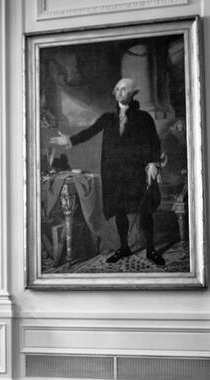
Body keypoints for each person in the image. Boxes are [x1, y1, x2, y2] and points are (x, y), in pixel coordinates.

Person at [50, 77, 165, 266]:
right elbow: (90, 131)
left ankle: (151, 249)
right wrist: (70, 140)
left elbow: (154, 141)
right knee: (119, 211)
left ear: (133, 93)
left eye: (125, 89)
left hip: (137, 172)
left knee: (144, 211)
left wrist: (153, 162)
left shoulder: (144, 117)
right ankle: (124, 247)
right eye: (118, 88)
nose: (120, 92)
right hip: (115, 173)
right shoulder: (107, 118)